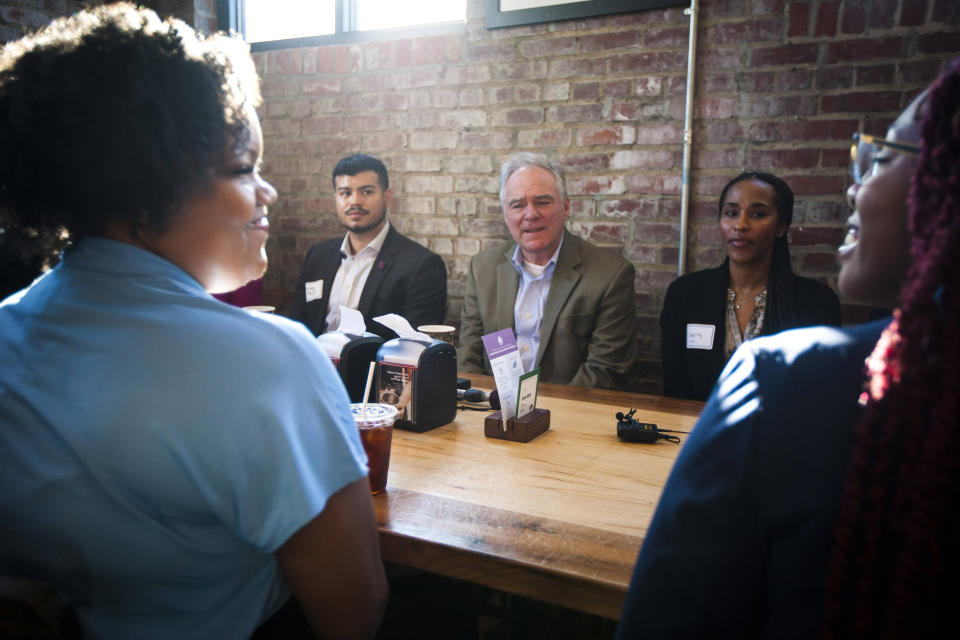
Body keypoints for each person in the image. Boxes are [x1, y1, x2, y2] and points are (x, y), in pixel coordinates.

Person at [0, 5, 387, 639]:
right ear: (143, 191)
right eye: (242, 168)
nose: (269, 193)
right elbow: (353, 612)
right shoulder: (271, 360)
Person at [616, 61, 959, 638]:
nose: (856, 184)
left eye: (881, 157)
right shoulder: (688, 294)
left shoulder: (790, 369)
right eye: (730, 212)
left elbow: (672, 610)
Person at [458, 152, 637, 389]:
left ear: (565, 207)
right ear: (506, 214)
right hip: (492, 411)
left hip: (569, 415)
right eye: (518, 205)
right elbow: (469, 355)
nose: (530, 214)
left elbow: (604, 372)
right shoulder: (483, 269)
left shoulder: (611, 276)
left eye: (542, 202)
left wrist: (540, 417)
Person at [659, 171, 842, 401]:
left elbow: (820, 392)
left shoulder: (816, 303)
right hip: (696, 431)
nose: (740, 224)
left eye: (758, 214)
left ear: (781, 226)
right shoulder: (685, 294)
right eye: (731, 213)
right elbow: (675, 387)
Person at [288, 154, 447, 339]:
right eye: (345, 193)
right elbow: (297, 327)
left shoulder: (421, 265)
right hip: (315, 364)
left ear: (386, 197)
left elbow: (415, 346)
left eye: (366, 192)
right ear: (336, 198)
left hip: (376, 367)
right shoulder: (317, 256)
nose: (354, 201)